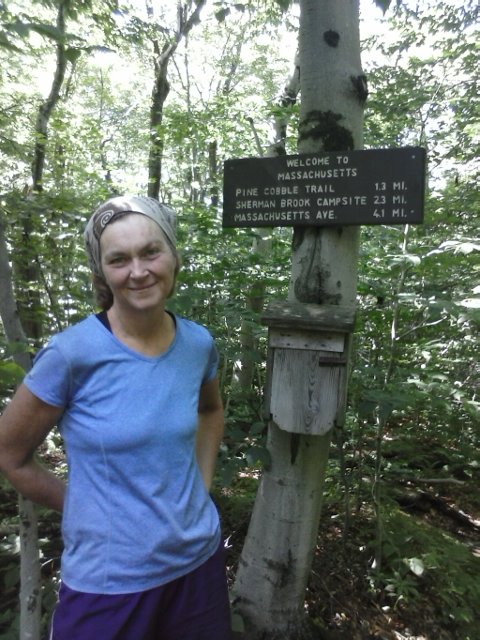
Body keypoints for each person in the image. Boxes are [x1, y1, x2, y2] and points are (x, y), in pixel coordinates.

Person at [0, 195, 231, 640]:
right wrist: (82, 505)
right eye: (119, 259)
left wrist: (201, 487)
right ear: (101, 273)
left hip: (198, 568)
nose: (138, 271)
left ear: (173, 256)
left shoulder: (198, 344)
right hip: (110, 583)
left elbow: (210, 410)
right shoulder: (72, 354)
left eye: (150, 252)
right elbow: (10, 455)